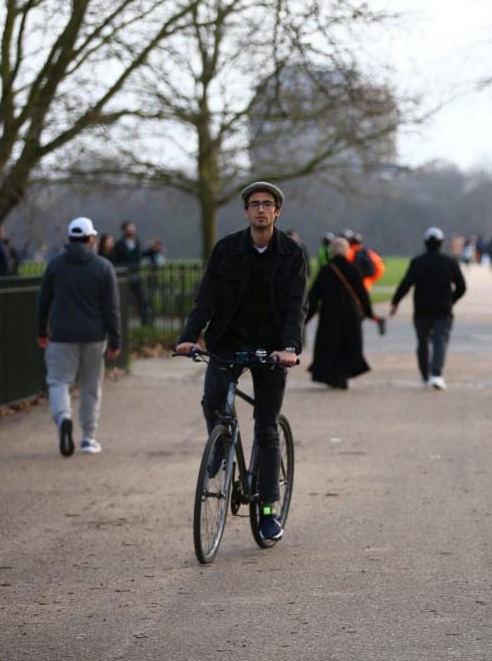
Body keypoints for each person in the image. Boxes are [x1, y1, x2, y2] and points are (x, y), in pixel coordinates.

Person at [174, 182, 307, 542]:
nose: (260, 209)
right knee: (213, 401)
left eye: (267, 204)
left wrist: (290, 347)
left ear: (277, 212)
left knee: (266, 426)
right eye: (254, 204)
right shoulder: (227, 250)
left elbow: (297, 306)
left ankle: (267, 512)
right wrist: (190, 336)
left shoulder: (292, 253)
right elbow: (206, 298)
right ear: (246, 212)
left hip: (272, 346)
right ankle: (220, 447)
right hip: (228, 342)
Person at [35, 217, 122, 457]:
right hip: (95, 336)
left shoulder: (55, 266)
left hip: (62, 335)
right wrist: (116, 341)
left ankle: (63, 417)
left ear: (70, 238)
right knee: (91, 386)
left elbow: (43, 303)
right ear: (91, 239)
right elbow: (111, 309)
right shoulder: (103, 267)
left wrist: (41, 331)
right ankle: (88, 439)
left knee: (59, 381)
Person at [389, 226, 467, 390]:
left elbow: (406, 284)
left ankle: (425, 374)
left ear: (426, 243)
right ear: (441, 243)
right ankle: (436, 374)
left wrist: (395, 302)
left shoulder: (417, 262)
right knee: (440, 341)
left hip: (422, 309)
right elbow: (461, 286)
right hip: (443, 309)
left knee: (422, 342)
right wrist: (452, 299)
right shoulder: (449, 262)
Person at [306, 237, 374, 389]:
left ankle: (332, 376)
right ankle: (343, 375)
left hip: (329, 316)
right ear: (346, 251)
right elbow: (362, 295)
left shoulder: (325, 270)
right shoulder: (353, 268)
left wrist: (305, 318)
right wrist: (370, 314)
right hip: (350, 316)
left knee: (330, 347)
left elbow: (313, 297)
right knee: (348, 346)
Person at [111, 220, 151, 325]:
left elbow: (141, 254)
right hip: (125, 276)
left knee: (141, 299)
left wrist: (152, 251)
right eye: (129, 228)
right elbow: (115, 260)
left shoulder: (137, 242)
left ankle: (145, 323)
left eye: (133, 228)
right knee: (123, 300)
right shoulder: (119, 245)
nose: (132, 230)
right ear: (124, 230)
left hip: (136, 275)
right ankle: (122, 324)